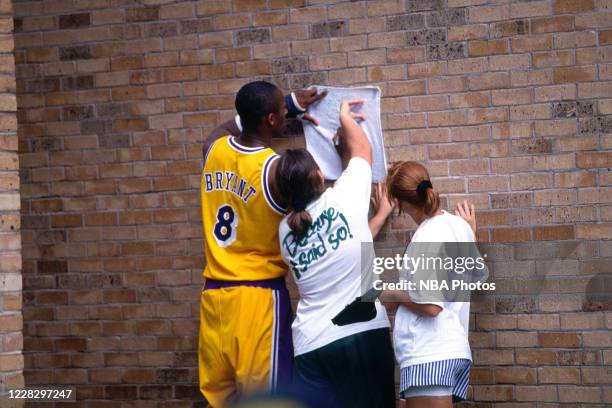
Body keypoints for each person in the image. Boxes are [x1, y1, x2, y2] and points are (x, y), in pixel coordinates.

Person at [199, 81, 326, 407]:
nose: (286, 112)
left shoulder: (214, 148)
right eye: (281, 111)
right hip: (258, 300)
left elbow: (224, 128)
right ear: (271, 120)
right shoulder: (275, 170)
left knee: (221, 400)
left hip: (214, 299)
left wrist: (289, 103)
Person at [276, 100, 396, 407]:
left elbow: (344, 249)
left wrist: (379, 218)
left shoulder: (285, 231)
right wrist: (344, 116)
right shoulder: (343, 198)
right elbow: (364, 151)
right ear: (319, 176)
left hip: (311, 345)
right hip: (361, 333)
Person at [382, 161, 478, 408]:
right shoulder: (459, 226)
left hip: (429, 352)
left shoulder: (428, 236)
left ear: (400, 204)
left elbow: (431, 305)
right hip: (449, 349)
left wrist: (391, 295)